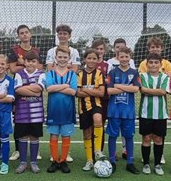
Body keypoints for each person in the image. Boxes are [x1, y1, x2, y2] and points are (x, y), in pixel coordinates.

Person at [46, 24, 80, 162]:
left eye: (65, 57)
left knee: (66, 135)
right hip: (54, 109)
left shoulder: (72, 74)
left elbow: (73, 91)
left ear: (68, 58)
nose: (62, 59)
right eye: (59, 57)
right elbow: (49, 89)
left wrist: (58, 86)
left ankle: (63, 160)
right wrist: (64, 85)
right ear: (56, 57)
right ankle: (55, 160)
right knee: (53, 135)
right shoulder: (51, 73)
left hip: (67, 109)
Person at [8, 24, 42, 161]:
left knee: (34, 119)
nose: (24, 35)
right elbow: (12, 69)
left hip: (33, 84)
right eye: (21, 33)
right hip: (19, 86)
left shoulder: (36, 50)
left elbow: (40, 67)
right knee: (19, 118)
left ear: (30, 34)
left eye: (26, 32)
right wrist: (25, 64)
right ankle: (17, 150)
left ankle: (36, 151)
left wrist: (23, 63)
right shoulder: (14, 51)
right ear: (18, 36)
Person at [138, 36, 171, 165]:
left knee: (159, 138)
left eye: (156, 63)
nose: (153, 65)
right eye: (151, 63)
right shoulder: (142, 74)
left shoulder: (164, 76)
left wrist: (148, 90)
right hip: (145, 112)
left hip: (160, 113)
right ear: (147, 64)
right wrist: (154, 90)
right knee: (146, 137)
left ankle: (158, 162)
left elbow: (164, 92)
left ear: (160, 64)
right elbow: (142, 90)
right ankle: (146, 163)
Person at [106, 47, 141, 174]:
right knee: (112, 135)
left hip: (128, 111)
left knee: (129, 136)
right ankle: (112, 161)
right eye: (122, 57)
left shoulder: (135, 72)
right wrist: (127, 87)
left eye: (127, 57)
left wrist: (117, 86)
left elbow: (136, 89)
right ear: (118, 57)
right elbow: (109, 90)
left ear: (130, 57)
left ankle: (130, 163)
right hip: (114, 110)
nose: (124, 59)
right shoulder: (112, 72)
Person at [13, 51, 45, 174]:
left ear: (37, 63)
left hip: (36, 114)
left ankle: (33, 162)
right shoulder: (19, 73)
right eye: (28, 61)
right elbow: (17, 89)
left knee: (34, 137)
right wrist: (34, 91)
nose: (30, 63)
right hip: (22, 113)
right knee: (22, 136)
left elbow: (40, 88)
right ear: (24, 62)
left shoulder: (41, 74)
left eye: (33, 61)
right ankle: (22, 162)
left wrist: (25, 88)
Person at [76, 49, 105, 172]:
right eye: (89, 58)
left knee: (98, 119)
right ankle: (89, 161)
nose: (92, 61)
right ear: (84, 60)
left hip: (96, 105)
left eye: (94, 58)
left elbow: (101, 93)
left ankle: (97, 151)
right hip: (83, 107)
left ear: (98, 60)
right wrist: (94, 91)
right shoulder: (79, 74)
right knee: (87, 133)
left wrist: (85, 90)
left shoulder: (99, 73)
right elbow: (77, 93)